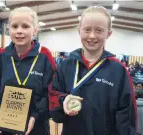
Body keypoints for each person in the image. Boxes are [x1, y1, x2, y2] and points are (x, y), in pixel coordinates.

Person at [48, 6, 136, 135]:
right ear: (79, 31)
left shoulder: (118, 70)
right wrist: (63, 101)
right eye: (87, 30)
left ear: (108, 33)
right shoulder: (67, 65)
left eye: (99, 30)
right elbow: (53, 96)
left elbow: (127, 115)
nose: (92, 36)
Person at [0, 6, 56, 135]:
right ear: (8, 29)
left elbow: (51, 92)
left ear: (35, 30)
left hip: (36, 126)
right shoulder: (1, 56)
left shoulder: (45, 56)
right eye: (14, 26)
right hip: (5, 125)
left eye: (25, 26)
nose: (19, 31)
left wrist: (35, 115)